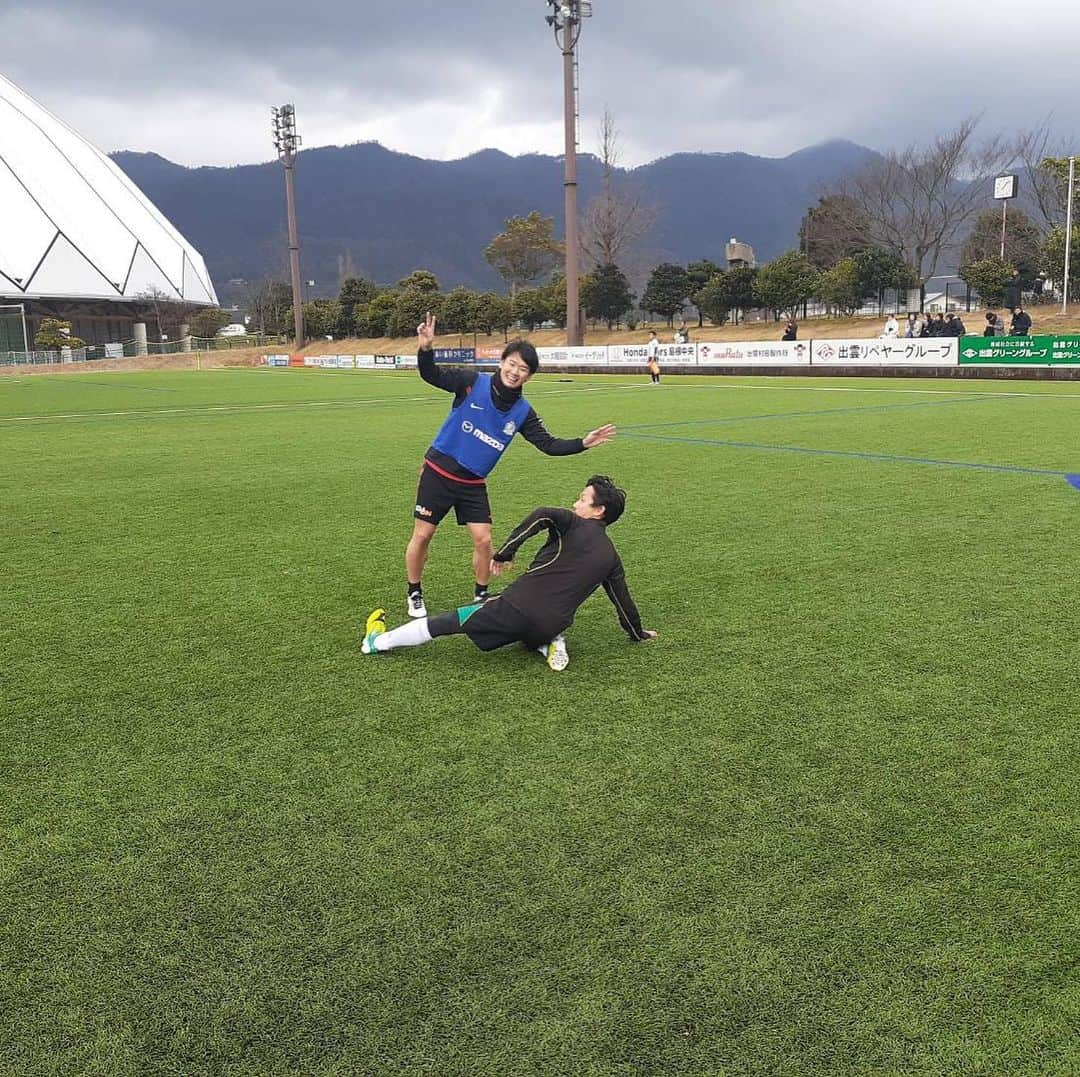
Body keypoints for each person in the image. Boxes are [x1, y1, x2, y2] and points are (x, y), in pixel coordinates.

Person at [406, 312, 615, 618]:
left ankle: (480, 594)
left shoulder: (522, 412)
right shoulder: (470, 382)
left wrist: (582, 443)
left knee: (484, 539)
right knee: (423, 536)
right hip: (439, 472)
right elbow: (432, 375)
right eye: (512, 364)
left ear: (529, 376)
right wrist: (425, 348)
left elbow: (548, 444)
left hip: (473, 483)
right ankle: (414, 591)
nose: (515, 372)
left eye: (524, 369)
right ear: (502, 362)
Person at [363, 476, 658, 671]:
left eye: (582, 499)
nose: (575, 504)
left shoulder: (571, 522)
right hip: (550, 623)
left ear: (598, 511)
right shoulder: (611, 557)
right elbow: (623, 603)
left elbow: (543, 513)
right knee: (529, 624)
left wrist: (505, 552)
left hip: (514, 610)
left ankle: (377, 642)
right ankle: (549, 642)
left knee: (446, 622)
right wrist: (638, 634)